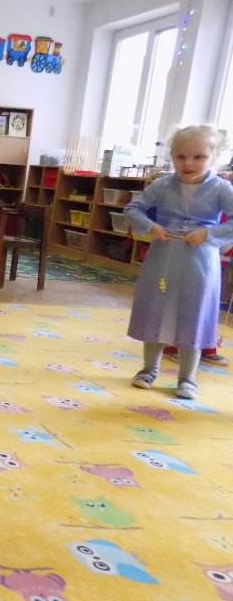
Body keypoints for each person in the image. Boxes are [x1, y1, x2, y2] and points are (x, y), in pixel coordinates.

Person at [124, 124, 233, 400]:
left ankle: (187, 378)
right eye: (180, 157)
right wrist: (150, 226)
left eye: (198, 157)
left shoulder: (221, 188)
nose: (188, 164)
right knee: (156, 310)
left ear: (214, 157)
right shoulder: (162, 184)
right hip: (163, 256)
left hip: (200, 260)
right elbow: (133, 208)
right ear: (171, 155)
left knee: (193, 314)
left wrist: (209, 233)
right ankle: (149, 369)